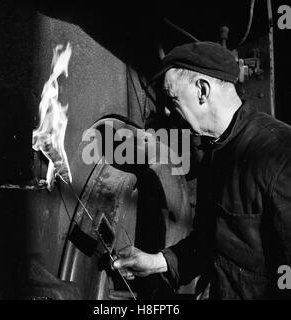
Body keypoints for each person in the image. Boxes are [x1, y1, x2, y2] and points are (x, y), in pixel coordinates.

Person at [113, 41, 291, 299]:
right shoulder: (215, 152)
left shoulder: (280, 154)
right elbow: (211, 241)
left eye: (172, 98)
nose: (166, 110)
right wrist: (156, 262)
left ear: (202, 91)